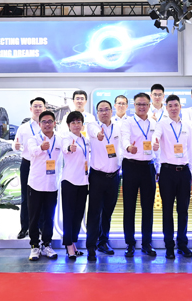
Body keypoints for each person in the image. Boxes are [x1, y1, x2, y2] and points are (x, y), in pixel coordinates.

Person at [153, 94, 192, 259]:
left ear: (180, 107)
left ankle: (182, 244)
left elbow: (190, 149)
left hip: (184, 172)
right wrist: (155, 142)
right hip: (167, 172)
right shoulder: (161, 124)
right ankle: (169, 246)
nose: (173, 108)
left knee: (183, 210)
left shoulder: (187, 126)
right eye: (170, 106)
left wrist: (190, 171)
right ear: (166, 108)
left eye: (176, 105)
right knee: (167, 210)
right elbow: (155, 136)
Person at [120, 92, 158, 257]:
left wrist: (158, 166)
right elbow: (124, 139)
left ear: (149, 106)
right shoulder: (127, 122)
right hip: (131, 166)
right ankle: (130, 244)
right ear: (134, 106)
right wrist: (129, 147)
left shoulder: (154, 123)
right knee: (129, 206)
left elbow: (158, 145)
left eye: (144, 104)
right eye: (138, 104)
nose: (142, 107)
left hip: (148, 167)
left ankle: (146, 243)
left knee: (148, 207)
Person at [85, 100, 121, 262]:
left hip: (114, 176)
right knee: (94, 212)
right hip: (97, 177)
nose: (104, 112)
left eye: (107, 109)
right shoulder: (92, 126)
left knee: (107, 212)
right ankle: (91, 246)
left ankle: (103, 242)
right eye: (101, 110)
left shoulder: (118, 127)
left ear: (112, 111)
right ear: (97, 112)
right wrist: (99, 135)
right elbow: (93, 132)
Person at [26, 110, 62, 261]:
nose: (47, 124)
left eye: (50, 121)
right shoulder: (33, 139)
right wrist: (41, 147)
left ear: (55, 123)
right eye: (44, 122)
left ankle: (47, 244)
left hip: (52, 184)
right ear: (39, 124)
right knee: (34, 217)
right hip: (36, 183)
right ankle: (34, 246)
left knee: (49, 216)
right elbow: (32, 152)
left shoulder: (59, 139)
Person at [13, 97, 47, 239]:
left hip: (43, 165)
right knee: (25, 196)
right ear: (30, 109)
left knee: (42, 196)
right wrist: (15, 146)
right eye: (35, 106)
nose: (38, 108)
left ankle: (40, 227)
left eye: (40, 106)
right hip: (27, 163)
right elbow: (16, 145)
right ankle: (24, 227)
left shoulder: (48, 126)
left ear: (44, 108)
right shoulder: (24, 127)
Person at [61, 111, 90, 260]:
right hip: (70, 181)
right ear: (68, 125)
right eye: (73, 123)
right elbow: (65, 148)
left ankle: (74, 242)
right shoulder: (66, 138)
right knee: (69, 215)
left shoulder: (85, 140)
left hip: (83, 181)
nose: (76, 125)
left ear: (82, 124)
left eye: (79, 122)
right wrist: (69, 148)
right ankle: (68, 245)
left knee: (78, 215)